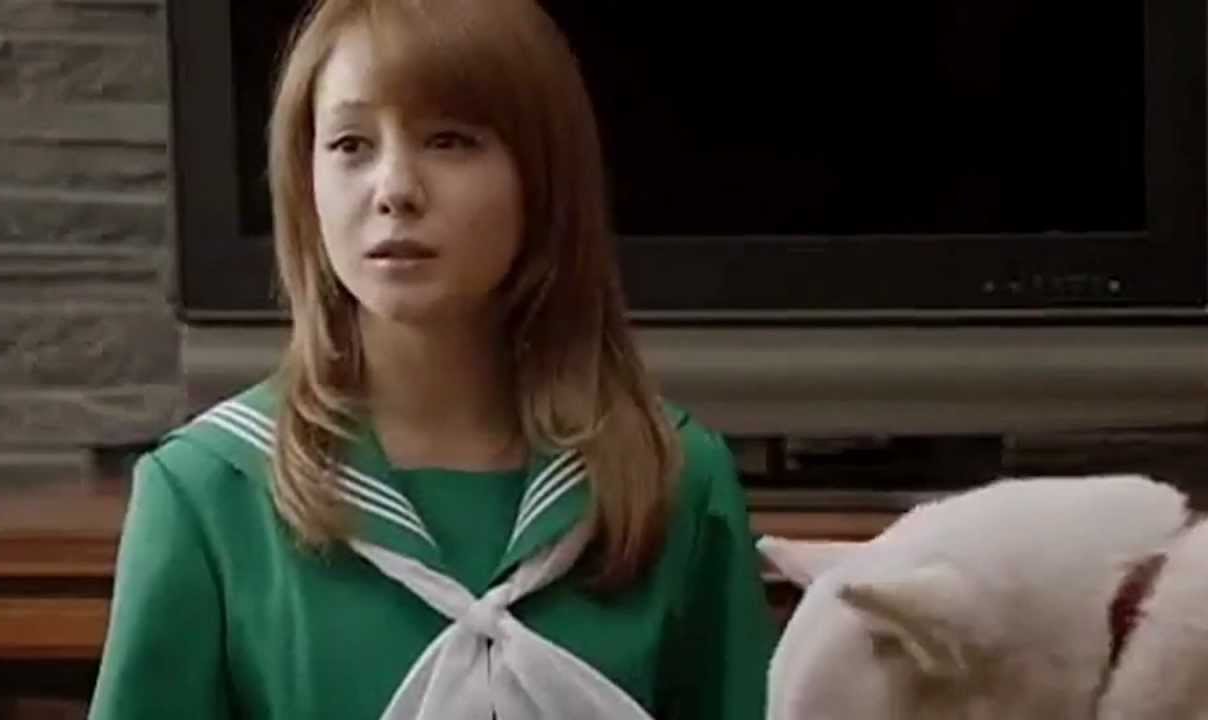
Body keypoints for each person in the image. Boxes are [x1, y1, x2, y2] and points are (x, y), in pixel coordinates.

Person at [88, 0, 776, 717]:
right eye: (351, 144)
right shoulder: (206, 492)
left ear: (543, 177)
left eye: (449, 140)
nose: (395, 190)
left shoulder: (676, 480)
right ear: (304, 180)